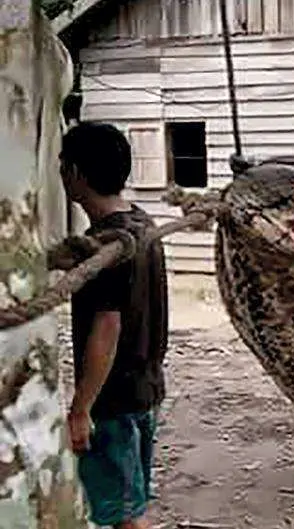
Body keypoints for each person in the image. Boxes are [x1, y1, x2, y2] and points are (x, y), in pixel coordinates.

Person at [60, 122, 168, 529]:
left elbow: (108, 328)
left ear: (76, 174)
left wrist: (80, 408)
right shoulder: (142, 224)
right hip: (147, 388)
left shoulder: (107, 245)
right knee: (132, 503)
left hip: (115, 399)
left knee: (125, 516)